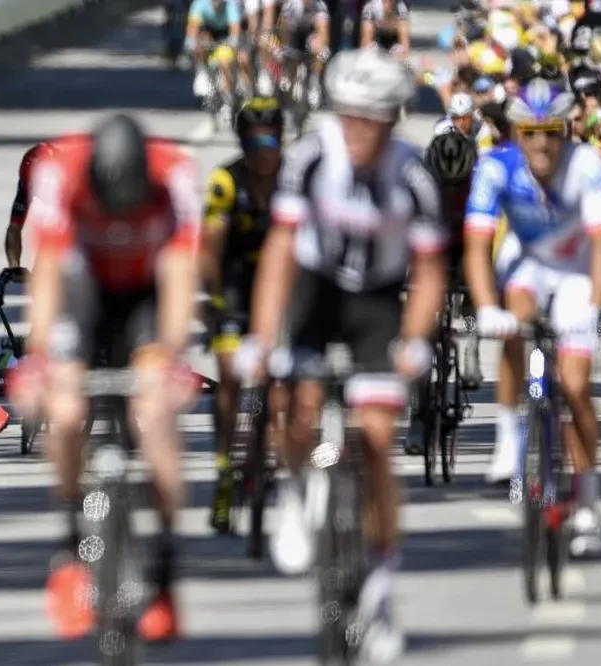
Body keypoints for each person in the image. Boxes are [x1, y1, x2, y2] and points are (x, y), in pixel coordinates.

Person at [238, 49, 446, 661]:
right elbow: (278, 251)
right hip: (314, 287)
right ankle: (295, 494)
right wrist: (260, 336)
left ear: (392, 120)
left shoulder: (413, 174)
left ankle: (380, 595)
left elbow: (431, 271)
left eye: (373, 120)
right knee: (293, 402)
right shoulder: (309, 158)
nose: (358, 131)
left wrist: (413, 341)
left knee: (378, 441)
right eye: (349, 117)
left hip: (378, 301)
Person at [10, 113, 201, 644]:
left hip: (145, 293)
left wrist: (173, 357)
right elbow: (48, 271)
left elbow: (182, 276)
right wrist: (40, 357)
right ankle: (71, 548)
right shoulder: (62, 172)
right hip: (85, 288)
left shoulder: (175, 176)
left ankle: (163, 565)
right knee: (68, 411)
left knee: (155, 415)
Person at [464, 79, 601, 554]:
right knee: (514, 315)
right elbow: (476, 246)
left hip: (573, 268)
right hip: (526, 258)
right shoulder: (494, 167)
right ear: (516, 134)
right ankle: (510, 436)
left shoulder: (586, 165)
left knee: (574, 384)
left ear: (566, 131)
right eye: (530, 133)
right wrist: (487, 308)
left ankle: (587, 506)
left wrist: (592, 308)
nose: (542, 144)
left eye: (552, 132)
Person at [199, 96, 283, 533]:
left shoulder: (295, 179)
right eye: (252, 143)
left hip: (280, 285)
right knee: (231, 377)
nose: (262, 152)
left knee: (284, 379)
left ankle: (269, 454)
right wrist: (211, 300)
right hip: (234, 286)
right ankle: (224, 473)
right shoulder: (226, 182)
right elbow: (209, 249)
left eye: (270, 141)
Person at [403, 130, 480, 456]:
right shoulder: (416, 188)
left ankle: (472, 345)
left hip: (466, 249)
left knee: (476, 286)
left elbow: (485, 245)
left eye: (457, 184)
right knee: (421, 337)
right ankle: (418, 418)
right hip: (428, 252)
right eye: (443, 184)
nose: (450, 190)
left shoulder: (479, 187)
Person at [2, 142, 54, 282]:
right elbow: (14, 227)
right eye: (31, 186)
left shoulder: (66, 182)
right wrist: (14, 267)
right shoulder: (26, 185)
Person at [185, 0, 244, 101]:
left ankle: (229, 95)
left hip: (225, 35)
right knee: (199, 42)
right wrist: (191, 42)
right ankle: (202, 71)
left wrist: (233, 43)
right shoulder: (199, 3)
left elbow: (235, 29)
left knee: (226, 61)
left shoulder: (231, 4)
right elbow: (193, 27)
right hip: (207, 33)